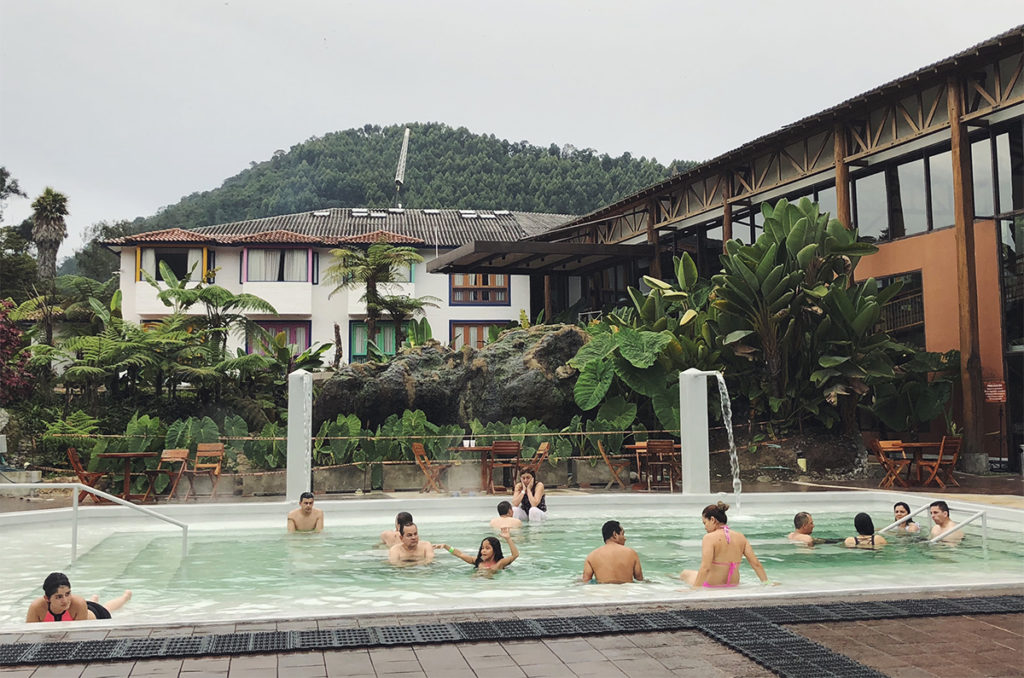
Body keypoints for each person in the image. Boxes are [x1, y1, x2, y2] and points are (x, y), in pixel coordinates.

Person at [681, 502, 769, 588]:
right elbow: (756, 564)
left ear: (712, 519)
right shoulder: (740, 536)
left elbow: (705, 567)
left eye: (705, 523)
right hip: (733, 584)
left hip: (712, 585)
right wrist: (767, 583)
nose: (705, 527)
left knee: (685, 573)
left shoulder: (709, 538)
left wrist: (695, 589)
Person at [26, 572, 132, 623]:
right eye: (59, 597)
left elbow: (79, 638)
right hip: (81, 610)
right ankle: (93, 599)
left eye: (68, 594)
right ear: (47, 599)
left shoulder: (78, 603)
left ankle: (125, 597)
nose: (65, 600)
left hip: (95, 614)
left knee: (107, 608)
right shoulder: (37, 608)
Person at [438, 534, 519, 571]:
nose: (483, 550)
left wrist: (508, 539)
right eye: (482, 548)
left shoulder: (499, 563)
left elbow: (515, 555)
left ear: (495, 550)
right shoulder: (478, 561)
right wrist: (446, 546)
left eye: (487, 548)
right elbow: (460, 554)